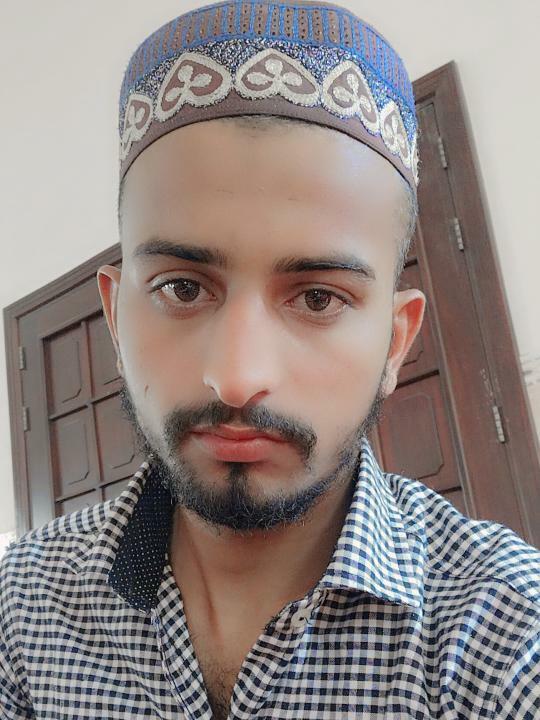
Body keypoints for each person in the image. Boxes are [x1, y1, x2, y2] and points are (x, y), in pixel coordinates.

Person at [1, 1, 539, 718]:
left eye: (318, 298)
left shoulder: (504, 627)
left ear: (395, 342)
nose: (237, 376)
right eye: (182, 288)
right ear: (117, 320)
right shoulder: (22, 611)